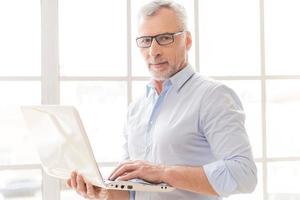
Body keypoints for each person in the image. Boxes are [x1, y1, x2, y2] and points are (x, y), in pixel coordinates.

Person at [67, 0, 257, 199]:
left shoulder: (213, 96)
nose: (153, 51)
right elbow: (134, 192)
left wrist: (161, 173)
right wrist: (103, 193)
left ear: (188, 40)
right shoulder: (136, 109)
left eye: (165, 38)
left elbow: (244, 175)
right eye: (146, 40)